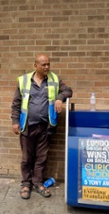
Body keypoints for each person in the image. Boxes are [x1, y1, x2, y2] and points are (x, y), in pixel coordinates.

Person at [11, 54, 73, 200]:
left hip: (45, 127)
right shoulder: (24, 80)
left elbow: (68, 91)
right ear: (35, 66)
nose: (47, 67)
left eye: (48, 64)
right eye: (43, 64)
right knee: (27, 158)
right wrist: (15, 121)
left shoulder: (54, 79)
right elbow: (16, 103)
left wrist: (60, 98)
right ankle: (26, 184)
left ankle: (37, 182)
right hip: (27, 126)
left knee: (41, 157)